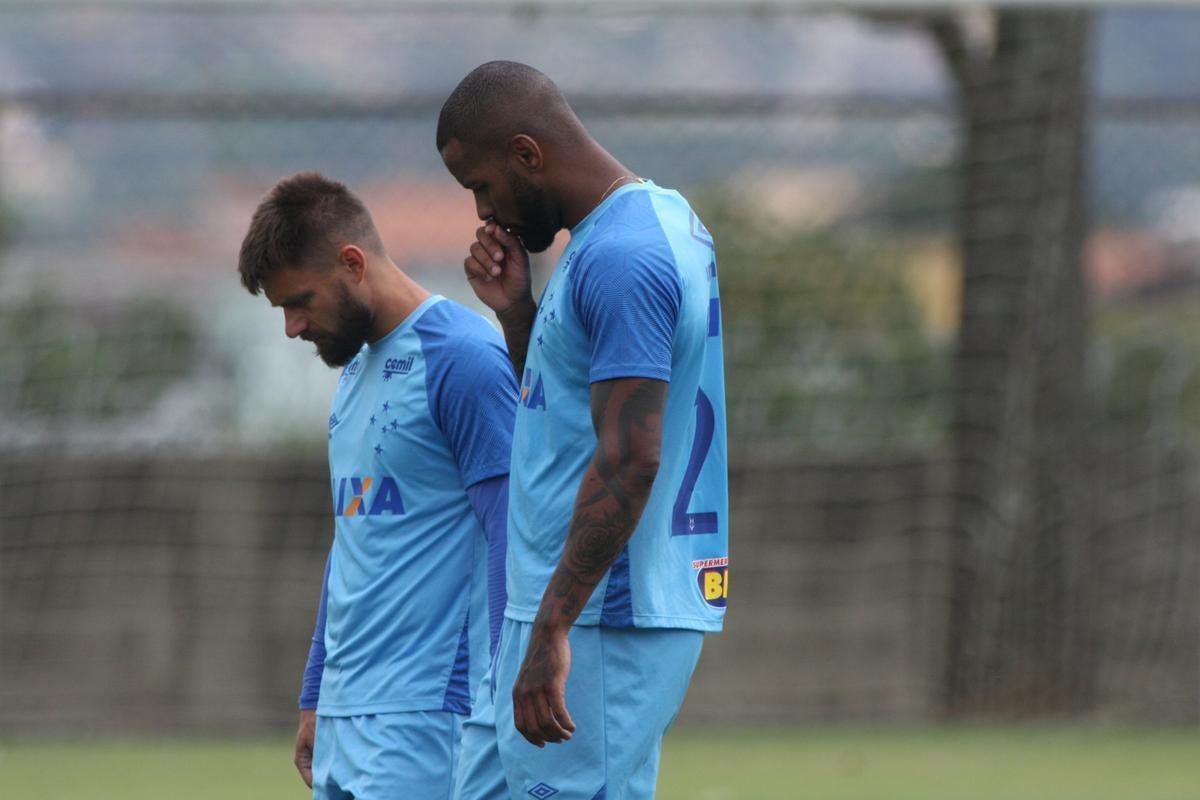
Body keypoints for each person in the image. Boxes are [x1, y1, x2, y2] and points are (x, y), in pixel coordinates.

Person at [438, 62, 729, 800]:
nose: (485, 213)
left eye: (482, 185)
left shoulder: (621, 257)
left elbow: (631, 458)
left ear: (528, 154)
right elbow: (566, 408)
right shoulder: (629, 230)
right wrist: (516, 316)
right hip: (559, 610)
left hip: (599, 616)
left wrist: (551, 629)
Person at [236, 171, 516, 800]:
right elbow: (353, 542)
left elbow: (511, 533)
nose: (291, 326)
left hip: (428, 715)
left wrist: (502, 694)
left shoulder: (464, 359)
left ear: (353, 263)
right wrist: (316, 695)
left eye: (299, 301)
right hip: (345, 713)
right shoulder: (355, 371)